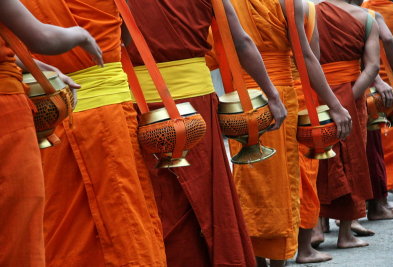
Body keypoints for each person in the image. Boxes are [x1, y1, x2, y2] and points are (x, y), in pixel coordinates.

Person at [125, 0, 287, 266]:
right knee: (208, 191)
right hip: (197, 105)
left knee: (158, 198)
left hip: (142, 107)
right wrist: (271, 93)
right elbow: (242, 42)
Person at [20, 0, 167, 266]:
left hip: (47, 117)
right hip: (109, 117)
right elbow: (127, 36)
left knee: (60, 222)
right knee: (126, 220)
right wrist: (83, 35)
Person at [227, 0, 352, 266]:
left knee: (250, 182)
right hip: (280, 95)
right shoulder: (294, 4)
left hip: (239, 100)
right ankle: (281, 258)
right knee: (281, 184)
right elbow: (308, 57)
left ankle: (257, 258)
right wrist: (334, 104)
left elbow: (216, 51)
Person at [0, 0, 101, 266]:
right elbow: (43, 38)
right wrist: (82, 34)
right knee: (16, 226)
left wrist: (30, 65)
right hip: (5, 113)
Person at [315, 0, 379, 249]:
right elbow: (372, 66)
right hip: (352, 93)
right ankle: (345, 235)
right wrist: (347, 100)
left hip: (317, 92)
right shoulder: (366, 18)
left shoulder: (311, 11)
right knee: (353, 159)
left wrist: (329, 100)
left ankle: (318, 226)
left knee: (319, 155)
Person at [294, 0, 333, 264]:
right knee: (305, 175)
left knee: (260, 178)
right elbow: (312, 58)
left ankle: (265, 253)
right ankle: (305, 248)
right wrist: (334, 103)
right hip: (298, 96)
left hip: (253, 99)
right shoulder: (305, 7)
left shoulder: (238, 7)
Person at [362, 0, 393, 201]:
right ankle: (387, 184)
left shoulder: (364, 9)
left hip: (360, 79)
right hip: (386, 78)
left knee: (373, 138)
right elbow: (390, 40)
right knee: (390, 134)